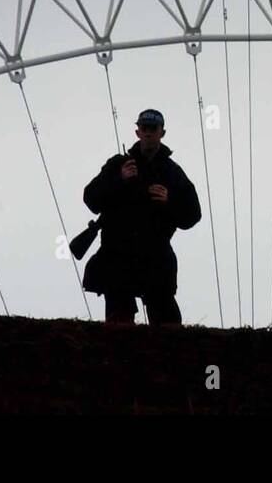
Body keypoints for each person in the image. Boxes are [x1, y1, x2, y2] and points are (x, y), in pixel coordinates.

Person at [81, 108, 202, 325]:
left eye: (152, 128)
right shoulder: (119, 165)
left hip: (155, 255)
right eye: (144, 128)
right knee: (119, 322)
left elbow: (193, 215)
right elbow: (90, 198)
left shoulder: (172, 172)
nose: (148, 133)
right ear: (137, 132)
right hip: (117, 254)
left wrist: (169, 201)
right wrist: (119, 180)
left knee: (167, 323)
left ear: (162, 133)